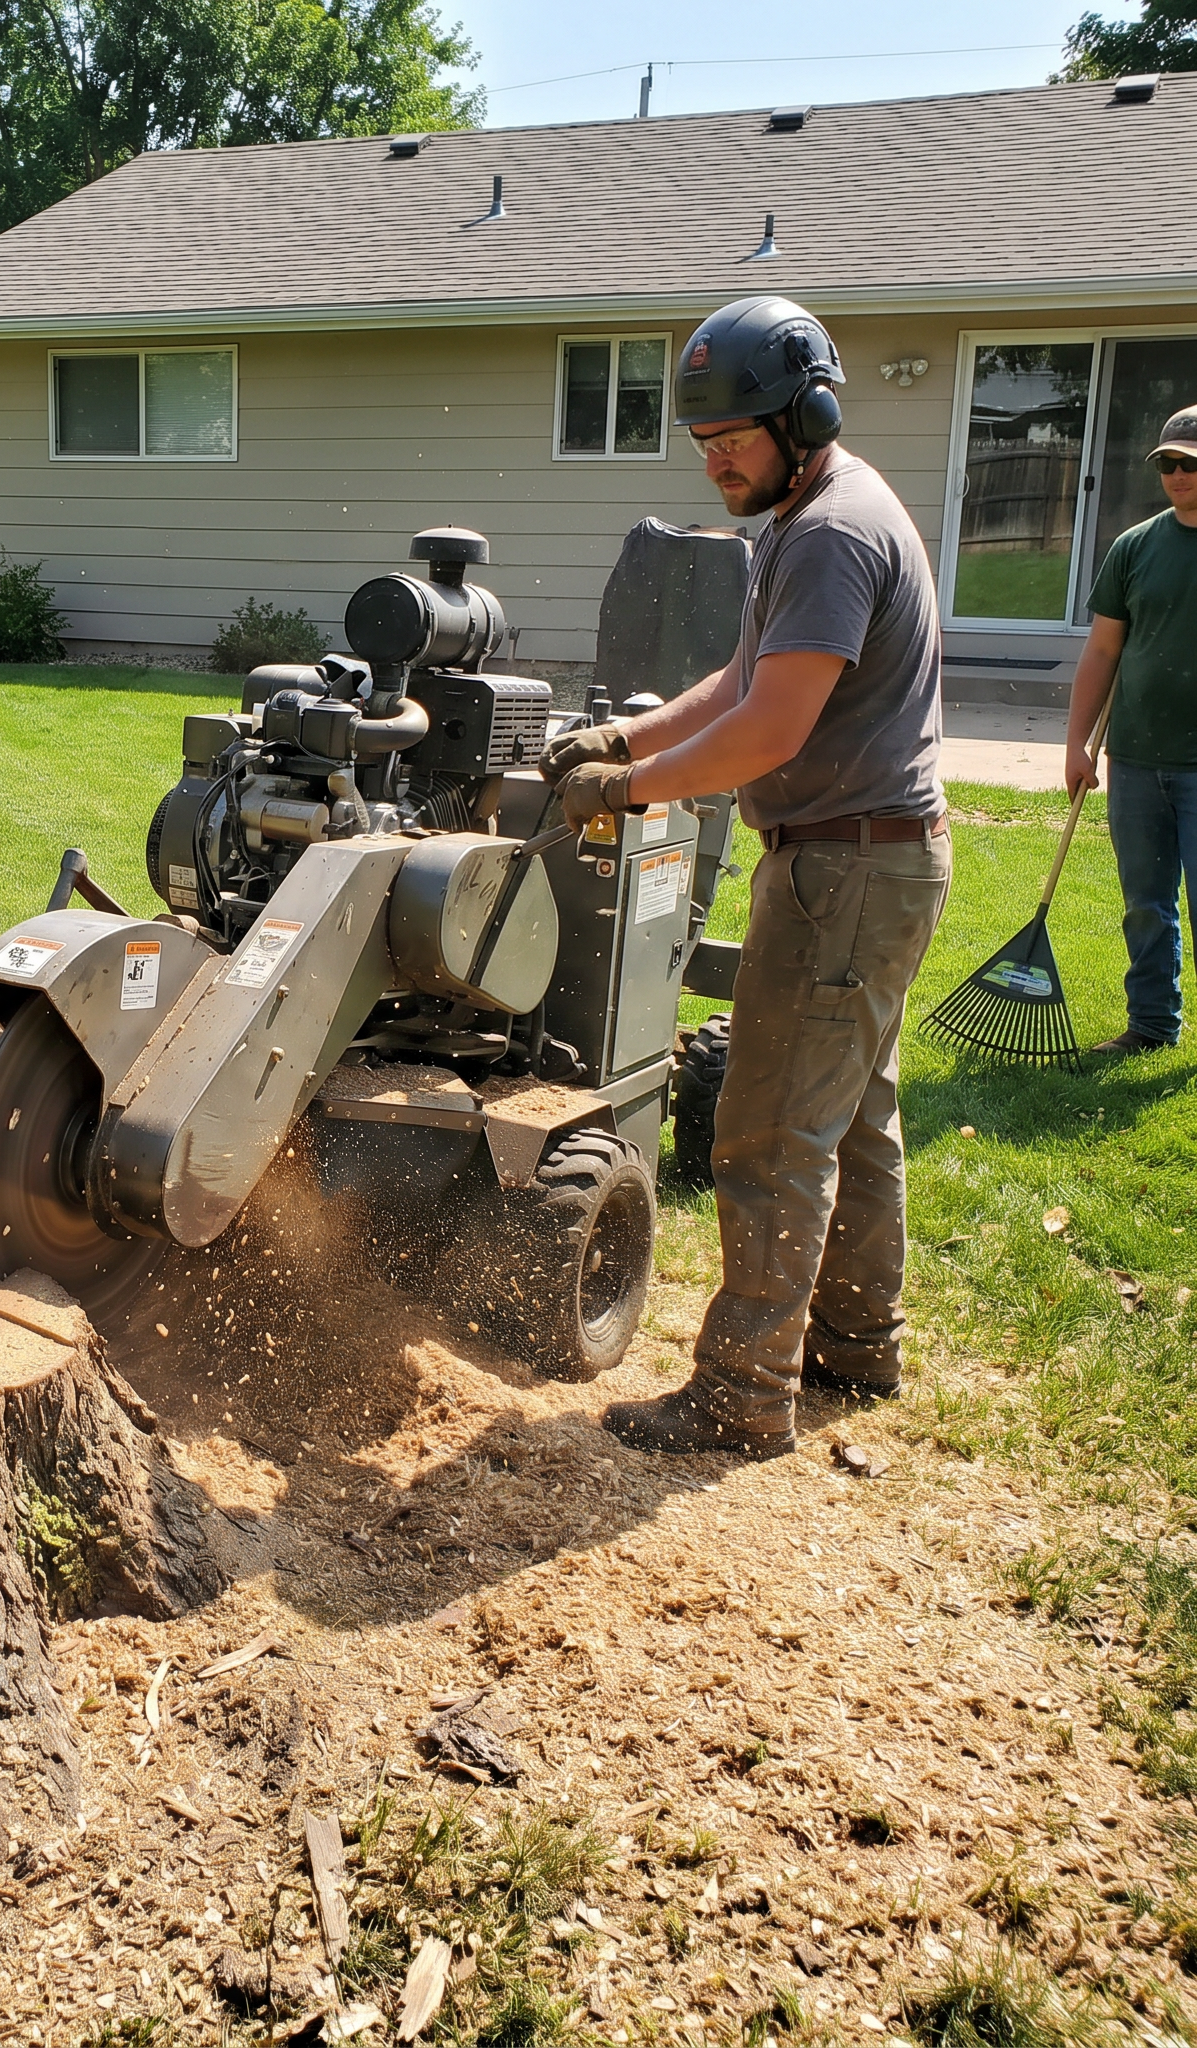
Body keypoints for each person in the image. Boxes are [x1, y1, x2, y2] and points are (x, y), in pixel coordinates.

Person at [540, 294, 949, 1460]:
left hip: (843, 867)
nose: (712, 457)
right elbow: (729, 684)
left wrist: (632, 791)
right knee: (850, 1116)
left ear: (805, 415)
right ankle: (856, 1344)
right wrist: (622, 740)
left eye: (732, 437)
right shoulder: (804, 514)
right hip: (868, 857)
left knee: (767, 1133)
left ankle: (737, 1397)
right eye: (699, 439)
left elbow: (767, 729)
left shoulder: (825, 533)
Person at [1064, 405, 1197, 1056]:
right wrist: (1074, 745)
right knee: (1145, 904)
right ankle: (1151, 1026)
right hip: (1138, 759)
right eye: (1168, 463)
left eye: (1190, 463)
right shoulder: (1136, 547)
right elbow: (1101, 653)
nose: (1178, 474)